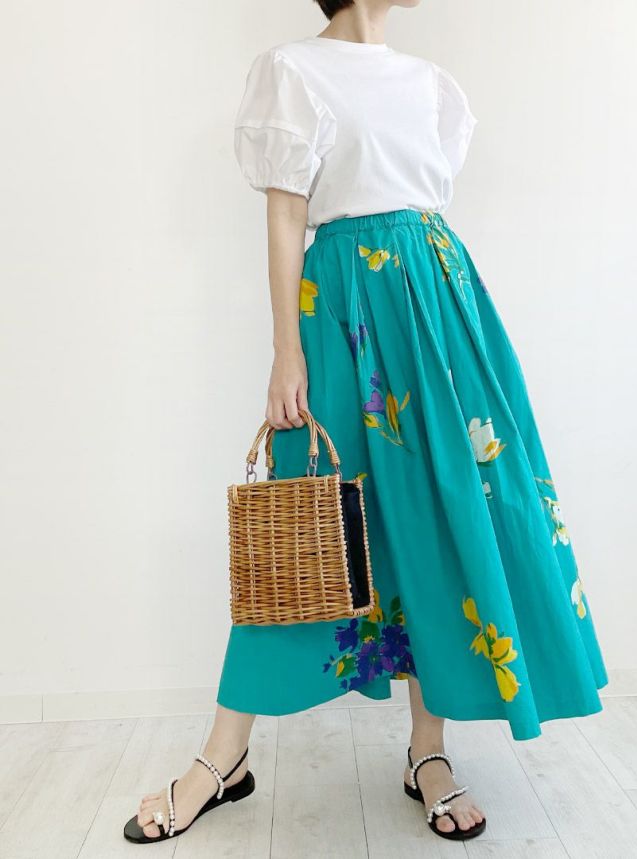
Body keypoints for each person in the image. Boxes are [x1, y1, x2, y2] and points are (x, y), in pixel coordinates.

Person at [124, 0, 608, 845]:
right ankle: (222, 758)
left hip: (439, 307)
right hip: (341, 306)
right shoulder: (293, 70)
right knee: (303, 516)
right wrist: (286, 351)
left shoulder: (432, 86)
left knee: (440, 516)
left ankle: (428, 750)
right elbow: (285, 215)